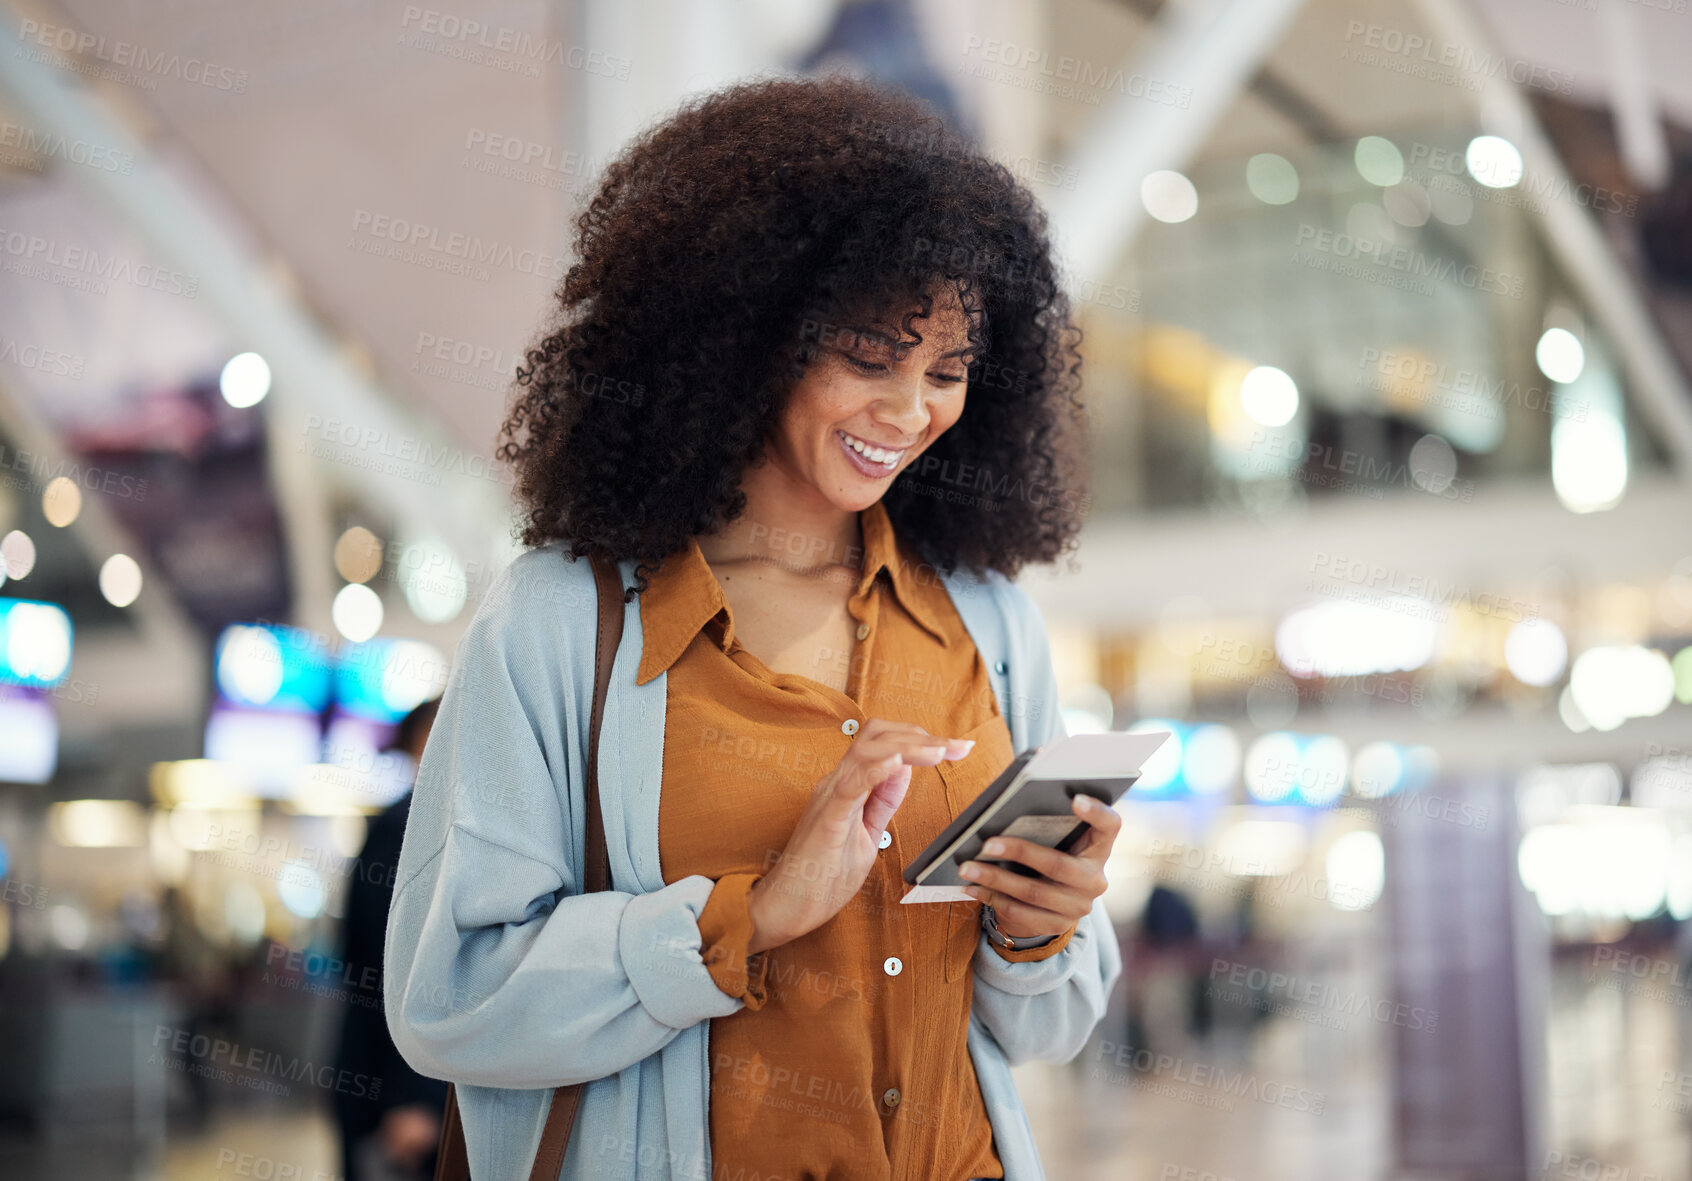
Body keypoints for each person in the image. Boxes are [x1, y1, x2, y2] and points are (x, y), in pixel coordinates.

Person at [384, 76, 1121, 1181]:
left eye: (949, 372)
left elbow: (1043, 1030)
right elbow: (451, 998)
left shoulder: (988, 623)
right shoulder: (558, 622)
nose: (911, 409)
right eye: (869, 358)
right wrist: (750, 917)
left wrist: (1037, 929)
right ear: (745, 334)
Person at [334, 699, 447, 1181]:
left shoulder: (419, 824)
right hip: (393, 1091)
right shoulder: (408, 830)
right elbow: (396, 973)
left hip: (396, 1081)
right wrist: (415, 1097)